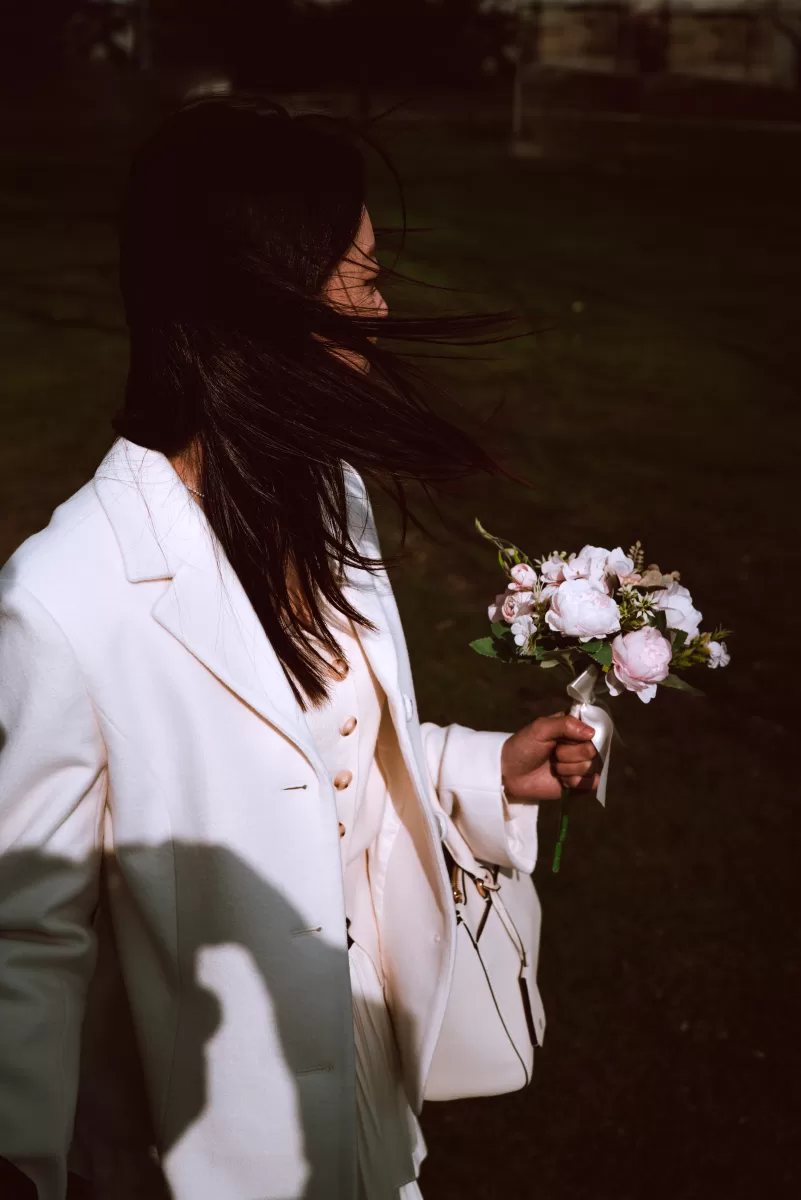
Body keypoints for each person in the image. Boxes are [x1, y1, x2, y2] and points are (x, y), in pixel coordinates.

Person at [0, 96, 601, 1200]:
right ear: (260, 294)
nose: (382, 308)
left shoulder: (331, 493)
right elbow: (26, 932)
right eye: (359, 276)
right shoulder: (64, 596)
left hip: (371, 1101)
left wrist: (478, 769)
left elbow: (317, 752)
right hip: (196, 1151)